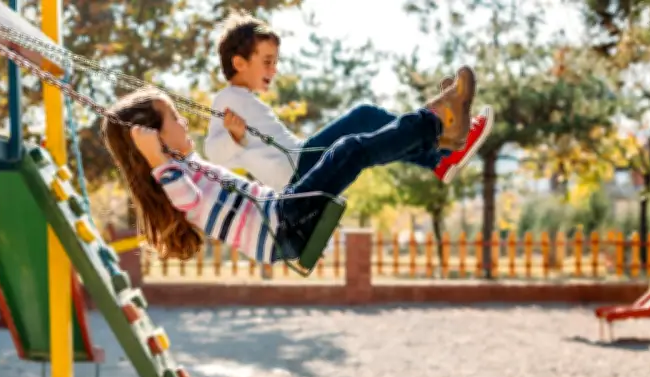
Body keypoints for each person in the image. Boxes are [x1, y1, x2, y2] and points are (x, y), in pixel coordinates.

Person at [101, 64, 478, 264]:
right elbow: (187, 197)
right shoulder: (172, 180)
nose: (183, 122)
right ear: (155, 137)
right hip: (282, 224)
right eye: (172, 117)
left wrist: (238, 137)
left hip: (282, 217)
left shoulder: (183, 168)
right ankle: (435, 121)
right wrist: (152, 157)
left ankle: (441, 137)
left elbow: (215, 186)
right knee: (350, 150)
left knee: (350, 147)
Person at [205, 11, 494, 190]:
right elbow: (214, 156)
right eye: (267, 61)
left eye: (275, 61)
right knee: (364, 117)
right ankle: (441, 145)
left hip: (297, 164)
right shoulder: (228, 98)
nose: (274, 69)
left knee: (369, 134)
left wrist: (237, 137)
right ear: (240, 63)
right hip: (297, 169)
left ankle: (440, 158)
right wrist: (232, 135)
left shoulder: (243, 99)